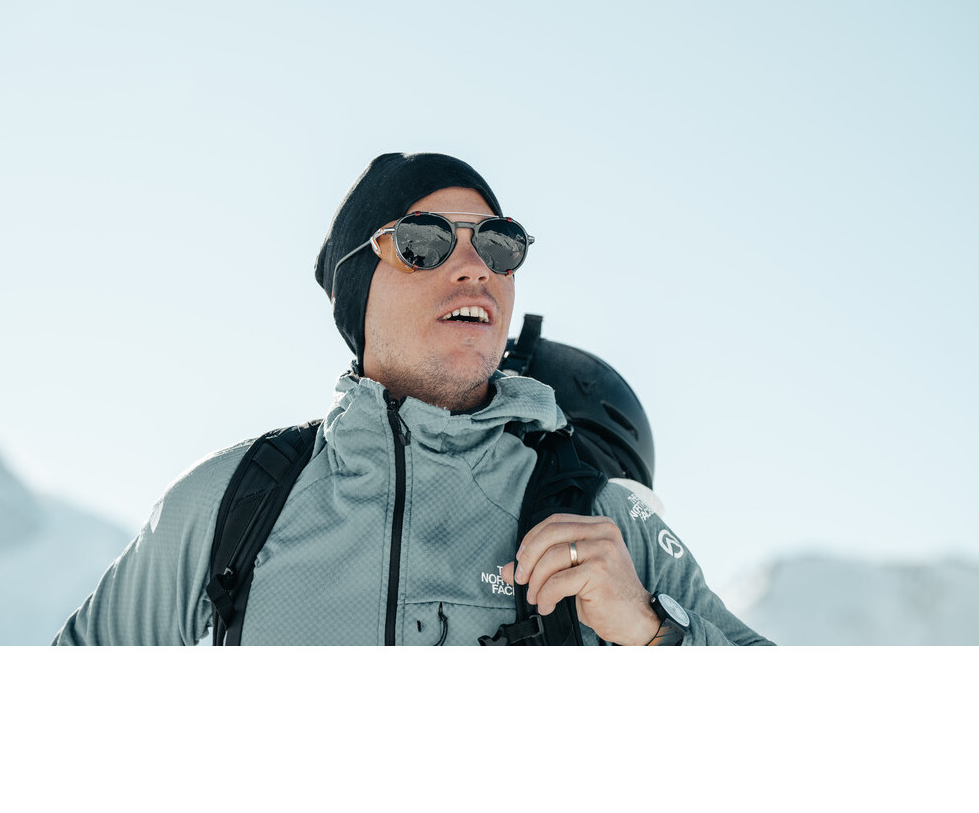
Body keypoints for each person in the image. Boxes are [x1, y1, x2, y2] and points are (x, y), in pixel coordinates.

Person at [53, 152, 772, 646]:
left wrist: (652, 632)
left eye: (499, 244)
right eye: (424, 241)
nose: (474, 266)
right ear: (357, 288)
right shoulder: (231, 503)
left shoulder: (598, 517)